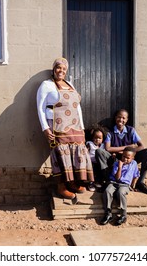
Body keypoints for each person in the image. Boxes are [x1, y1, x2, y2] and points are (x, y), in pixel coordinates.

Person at [36, 57, 94, 199]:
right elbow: (40, 108)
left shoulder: (70, 84)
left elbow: (77, 107)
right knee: (61, 155)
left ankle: (73, 183)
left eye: (63, 69)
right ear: (53, 69)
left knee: (76, 155)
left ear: (66, 71)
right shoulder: (46, 85)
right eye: (58, 68)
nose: (60, 71)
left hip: (75, 127)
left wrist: (82, 127)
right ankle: (61, 187)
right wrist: (45, 129)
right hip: (57, 127)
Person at [96, 109, 147, 194]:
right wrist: (127, 147)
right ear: (115, 118)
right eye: (119, 117)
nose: (121, 120)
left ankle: (140, 183)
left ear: (126, 120)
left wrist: (129, 152)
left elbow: (141, 146)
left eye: (123, 118)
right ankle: (107, 181)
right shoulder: (110, 132)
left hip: (129, 158)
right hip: (116, 159)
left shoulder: (131, 131)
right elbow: (108, 148)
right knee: (99, 152)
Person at [100, 146, 140, 226]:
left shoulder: (134, 163)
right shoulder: (117, 163)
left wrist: (133, 185)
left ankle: (123, 215)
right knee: (107, 191)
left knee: (121, 192)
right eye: (124, 156)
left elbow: (136, 175)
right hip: (114, 182)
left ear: (132, 158)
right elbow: (117, 178)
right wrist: (120, 167)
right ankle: (108, 213)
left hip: (124, 184)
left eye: (128, 158)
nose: (125, 159)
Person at [86, 127, 107, 191]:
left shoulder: (103, 145)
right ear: (92, 138)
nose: (97, 140)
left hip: (99, 163)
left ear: (102, 139)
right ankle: (91, 183)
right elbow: (86, 151)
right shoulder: (90, 143)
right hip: (91, 162)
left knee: (100, 171)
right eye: (96, 138)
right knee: (92, 172)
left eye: (99, 138)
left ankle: (98, 182)